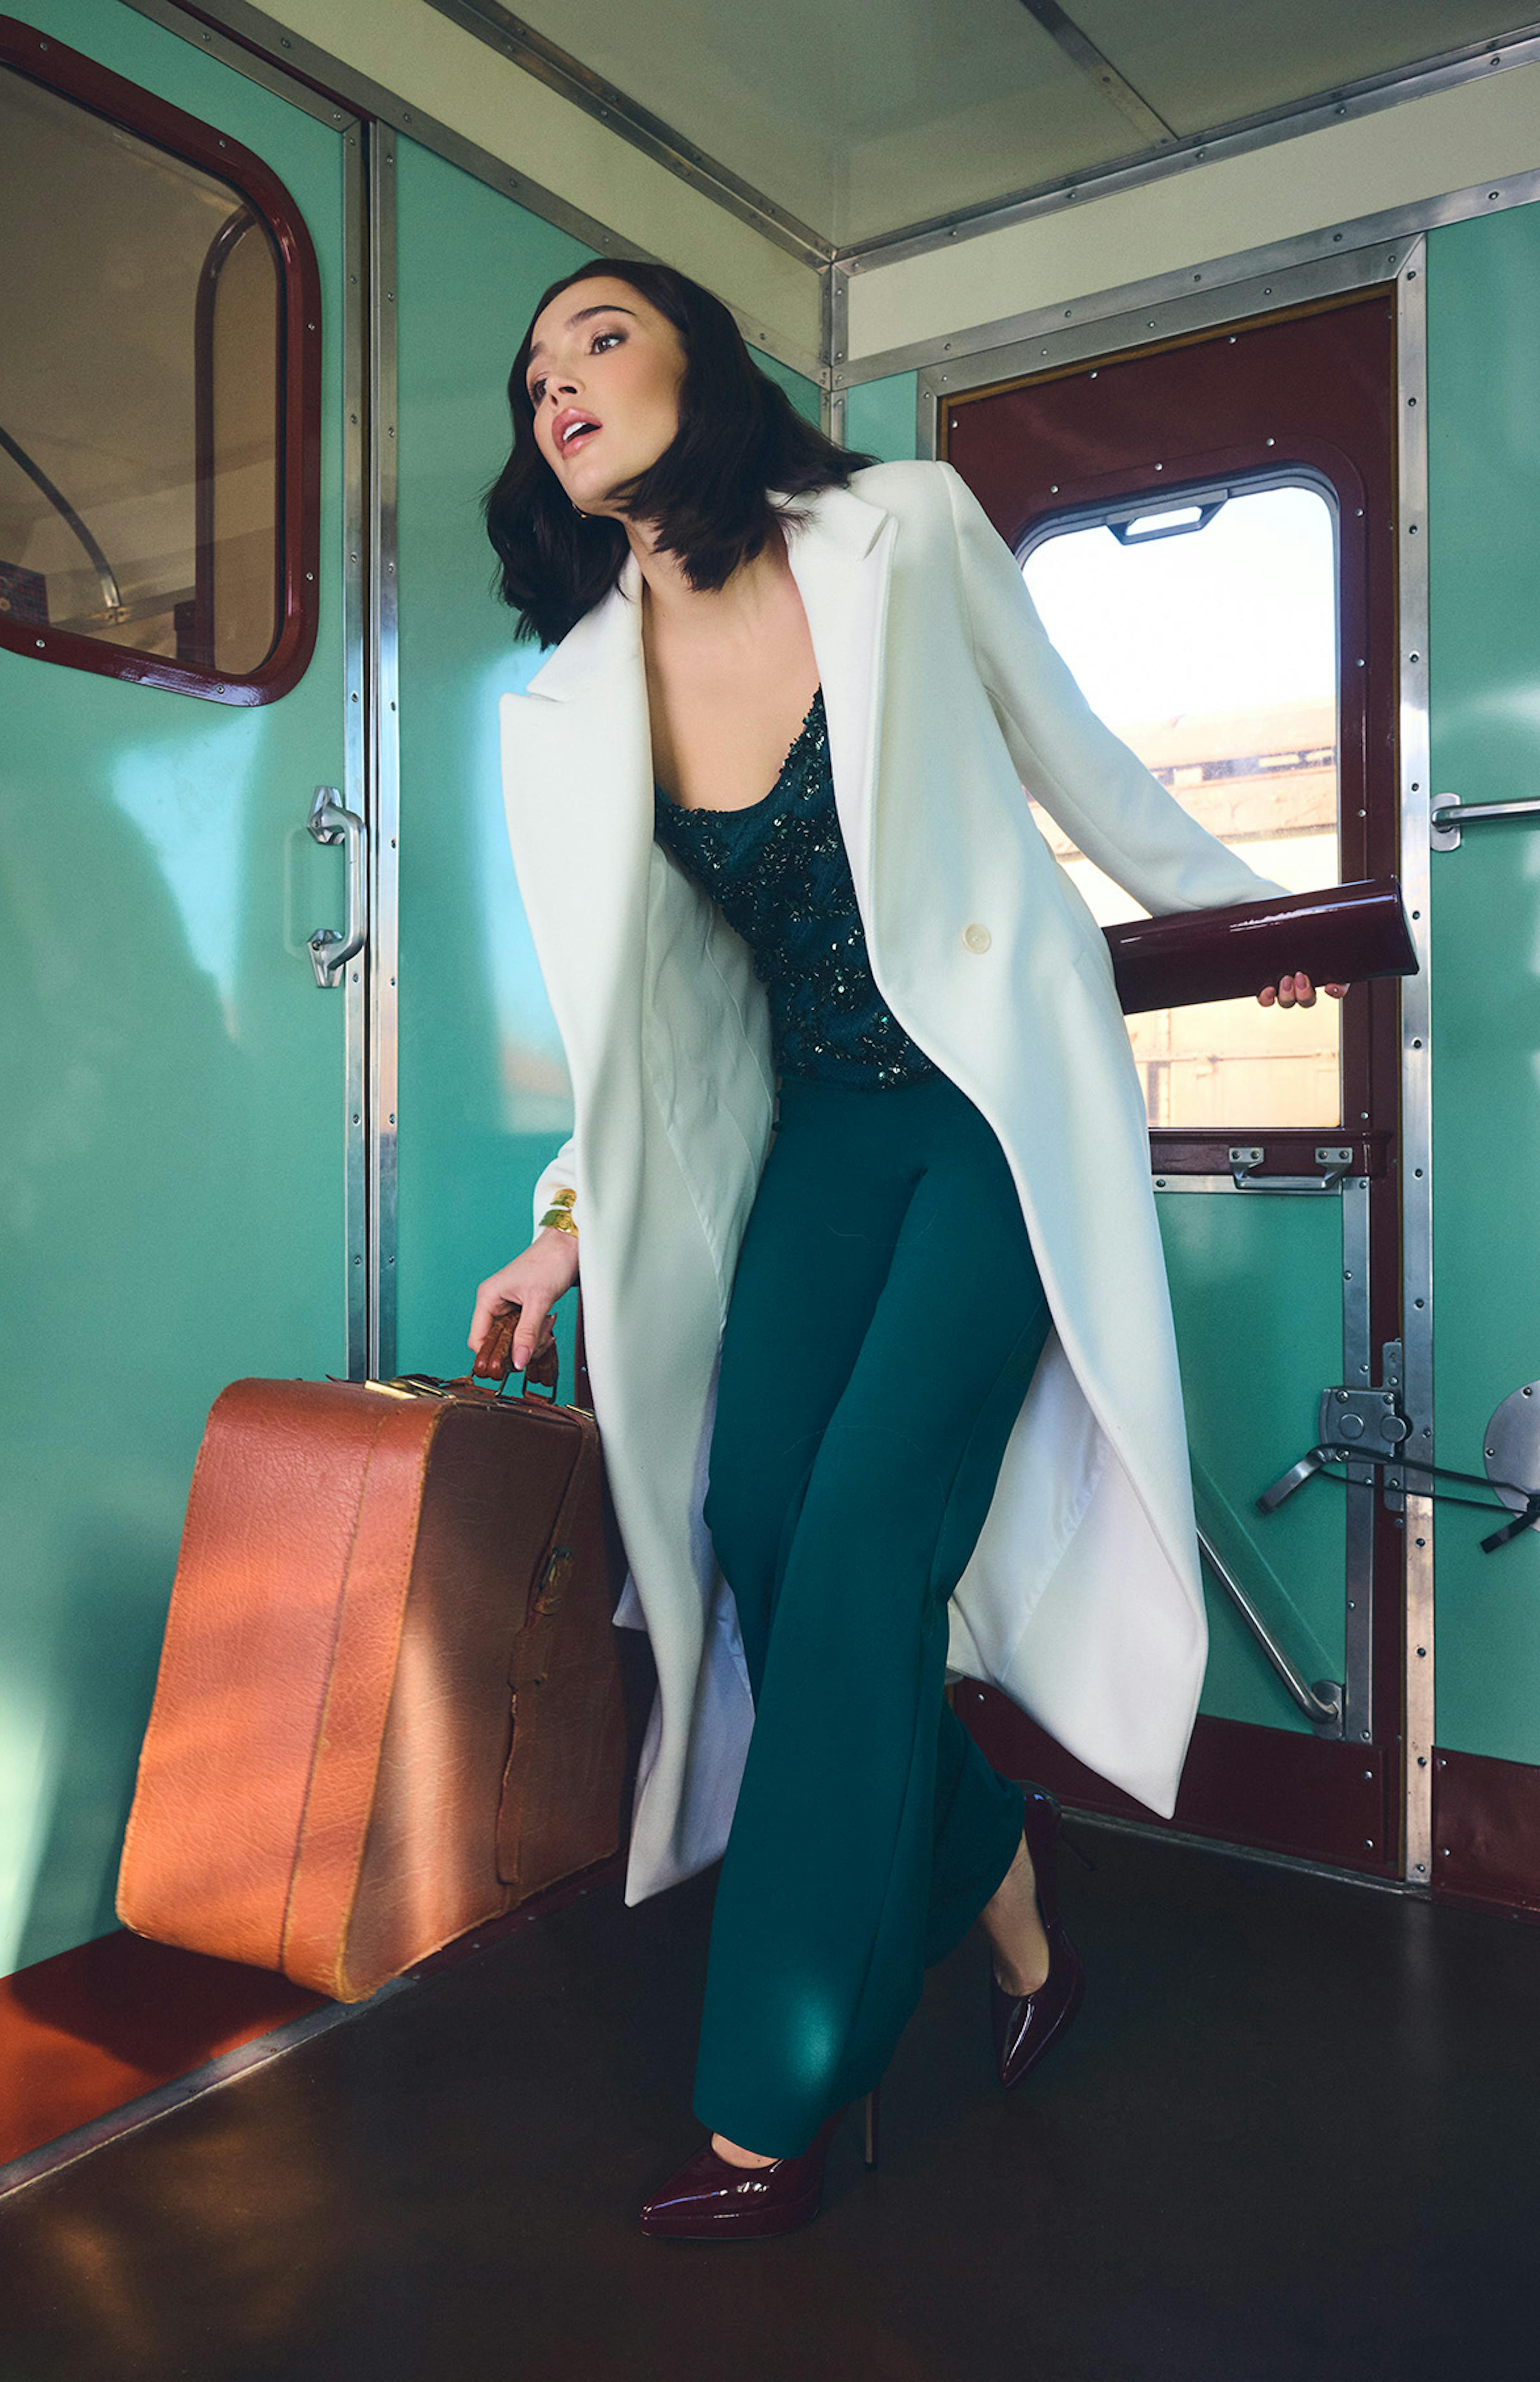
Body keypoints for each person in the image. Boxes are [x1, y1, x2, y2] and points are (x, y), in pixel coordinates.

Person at [470, 258, 1346, 2242]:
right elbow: (647, 1029)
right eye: (533, 376)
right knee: (762, 1534)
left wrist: (1274, 924)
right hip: (823, 1141)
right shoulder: (576, 691)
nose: (560, 383)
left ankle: (770, 2104)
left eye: (597, 337)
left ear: (703, 356)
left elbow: (1081, 761)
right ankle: (1009, 1895)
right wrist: (564, 1237)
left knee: (866, 1541)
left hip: (984, 1125)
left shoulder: (902, 531)